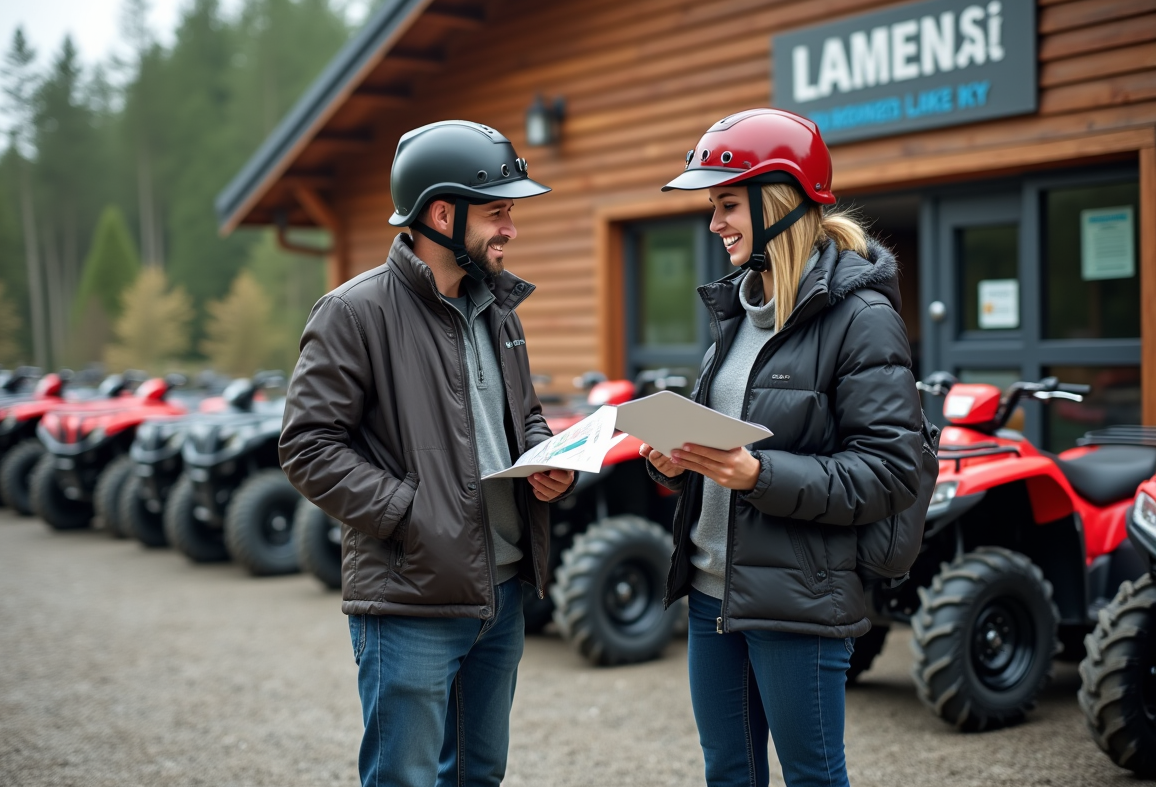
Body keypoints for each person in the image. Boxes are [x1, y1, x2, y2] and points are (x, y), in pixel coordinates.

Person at [279, 120, 574, 787]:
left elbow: (522, 416)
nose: (511, 229)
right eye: (498, 211)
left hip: (500, 591)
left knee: (479, 775)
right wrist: (412, 514)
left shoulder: (500, 310)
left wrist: (545, 459)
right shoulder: (352, 313)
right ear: (442, 212)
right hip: (409, 599)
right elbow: (306, 445)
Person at [641, 108, 925, 787]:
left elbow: (890, 472)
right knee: (729, 773)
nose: (715, 224)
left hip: (800, 599)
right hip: (712, 594)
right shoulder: (738, 313)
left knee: (813, 776)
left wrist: (757, 473)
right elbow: (726, 451)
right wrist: (677, 463)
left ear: (780, 200)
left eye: (728, 203)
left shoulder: (863, 319)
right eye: (712, 206)